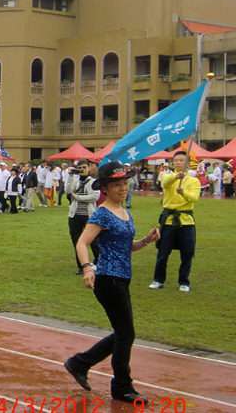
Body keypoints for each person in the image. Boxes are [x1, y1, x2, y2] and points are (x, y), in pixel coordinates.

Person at [64, 161, 160, 403]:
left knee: (123, 333)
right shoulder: (102, 213)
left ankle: (79, 363)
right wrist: (87, 268)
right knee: (126, 334)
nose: (123, 188)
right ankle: (121, 387)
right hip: (108, 279)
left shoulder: (125, 213)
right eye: (117, 185)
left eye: (125, 183)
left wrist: (146, 241)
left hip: (122, 278)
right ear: (105, 188)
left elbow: (127, 247)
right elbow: (82, 242)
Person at [150, 150, 201, 293]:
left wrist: (184, 193)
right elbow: (165, 183)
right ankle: (158, 280)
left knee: (187, 253)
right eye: (176, 160)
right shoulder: (168, 177)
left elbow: (194, 198)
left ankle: (184, 281)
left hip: (186, 221)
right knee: (163, 252)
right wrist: (176, 176)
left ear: (188, 163)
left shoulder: (194, 181)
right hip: (169, 220)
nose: (178, 163)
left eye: (182, 160)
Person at [65, 160, 101, 274]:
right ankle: (82, 266)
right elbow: (67, 190)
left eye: (84, 167)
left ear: (89, 168)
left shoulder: (94, 182)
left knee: (94, 240)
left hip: (89, 215)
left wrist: (77, 197)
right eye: (79, 167)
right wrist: (71, 176)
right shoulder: (75, 181)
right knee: (77, 241)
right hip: (74, 215)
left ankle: (99, 262)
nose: (82, 170)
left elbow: (95, 197)